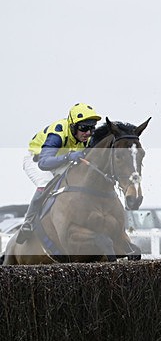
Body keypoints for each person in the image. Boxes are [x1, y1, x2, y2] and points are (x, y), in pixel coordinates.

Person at [17, 103, 102, 243]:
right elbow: (43, 163)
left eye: (92, 128)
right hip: (37, 159)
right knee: (46, 183)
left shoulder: (87, 138)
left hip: (59, 160)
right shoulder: (57, 133)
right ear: (73, 126)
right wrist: (68, 157)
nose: (88, 133)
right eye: (84, 128)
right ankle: (28, 222)